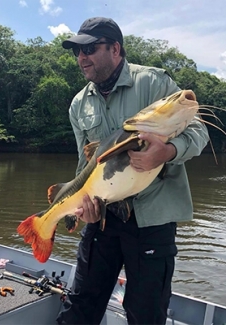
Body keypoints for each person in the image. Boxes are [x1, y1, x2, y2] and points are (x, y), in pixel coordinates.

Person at [57, 17, 209, 325]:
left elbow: (199, 131)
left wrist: (167, 152)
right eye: (77, 51)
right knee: (82, 304)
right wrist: (82, 207)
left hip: (153, 220)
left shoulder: (154, 82)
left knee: (146, 313)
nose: (81, 57)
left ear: (115, 49)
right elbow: (83, 165)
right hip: (103, 219)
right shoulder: (78, 104)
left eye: (89, 48)